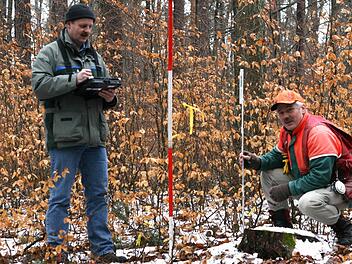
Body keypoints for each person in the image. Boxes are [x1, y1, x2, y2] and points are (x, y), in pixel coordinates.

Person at [31, 4, 127, 263]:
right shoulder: (49, 53)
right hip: (64, 138)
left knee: (98, 194)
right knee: (60, 196)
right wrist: (74, 80)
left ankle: (103, 250)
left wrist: (110, 97)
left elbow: (105, 92)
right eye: (83, 26)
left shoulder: (95, 57)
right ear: (68, 25)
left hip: (95, 138)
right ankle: (57, 251)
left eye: (90, 27)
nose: (87, 31)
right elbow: (39, 87)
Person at [240, 89, 352, 246]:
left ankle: (344, 228)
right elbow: (276, 156)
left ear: (303, 109)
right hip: (323, 185)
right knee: (268, 174)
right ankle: (283, 228)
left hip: (343, 188)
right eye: (281, 112)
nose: (285, 116)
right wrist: (257, 162)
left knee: (307, 203)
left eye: (290, 110)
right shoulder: (288, 132)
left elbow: (320, 177)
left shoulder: (317, 133)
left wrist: (287, 189)